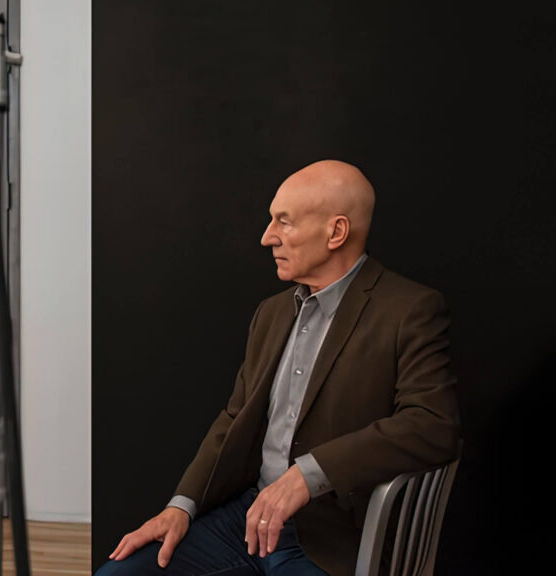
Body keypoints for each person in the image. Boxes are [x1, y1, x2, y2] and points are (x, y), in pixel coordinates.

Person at [97, 160, 460, 576]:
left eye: (283, 222)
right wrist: (181, 506)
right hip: (244, 521)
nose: (267, 237)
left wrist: (309, 475)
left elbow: (433, 424)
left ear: (336, 232)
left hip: (332, 541)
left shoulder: (410, 310)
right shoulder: (270, 313)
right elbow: (233, 418)